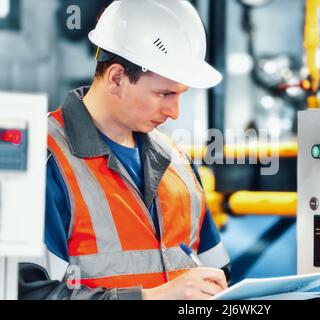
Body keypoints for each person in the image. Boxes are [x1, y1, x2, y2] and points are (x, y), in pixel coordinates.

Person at [19, 0, 231, 300]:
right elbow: (30, 295)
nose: (175, 112)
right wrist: (152, 297)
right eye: (164, 93)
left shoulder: (176, 161)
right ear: (117, 77)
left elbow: (218, 275)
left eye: (180, 94)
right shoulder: (42, 160)